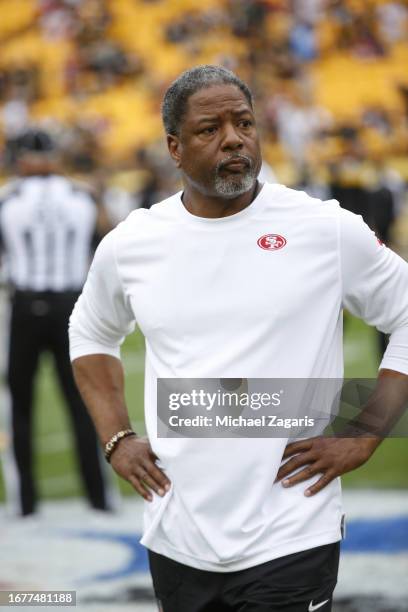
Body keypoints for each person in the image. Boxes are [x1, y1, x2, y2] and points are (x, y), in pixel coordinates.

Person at [69, 66, 408, 612]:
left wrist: (365, 430)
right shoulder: (133, 242)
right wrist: (116, 438)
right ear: (174, 149)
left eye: (244, 123)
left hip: (292, 532)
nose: (233, 138)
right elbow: (89, 329)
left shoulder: (323, 228)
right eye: (210, 129)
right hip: (177, 532)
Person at [0, 129, 115, 516]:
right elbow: (106, 244)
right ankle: (99, 498)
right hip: (72, 304)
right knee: (83, 402)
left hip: (25, 304)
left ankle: (26, 504)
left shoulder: (8, 197)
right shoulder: (82, 195)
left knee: (21, 407)